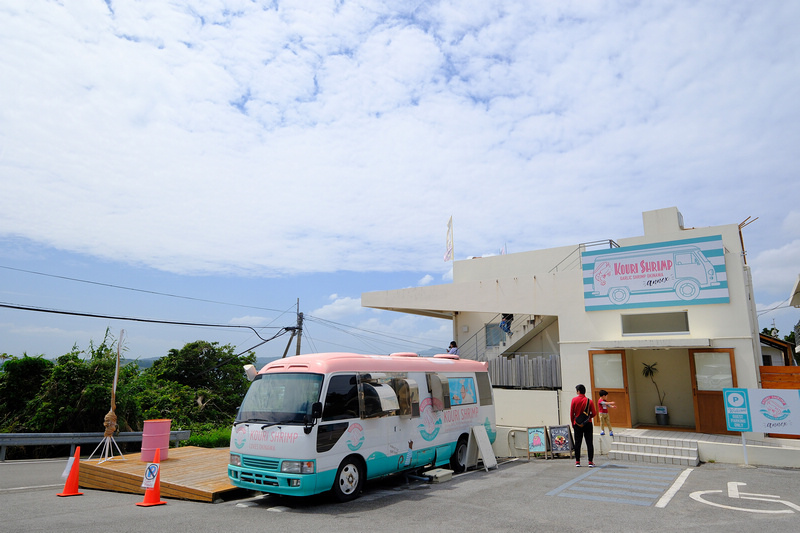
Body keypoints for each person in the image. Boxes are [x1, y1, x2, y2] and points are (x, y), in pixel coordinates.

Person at [570, 384, 596, 467]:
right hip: (588, 423)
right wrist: (588, 417)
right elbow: (594, 413)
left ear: (578, 391)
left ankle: (577, 461)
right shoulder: (589, 401)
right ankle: (590, 461)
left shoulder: (574, 400)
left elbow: (571, 413)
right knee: (589, 442)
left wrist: (573, 422)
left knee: (578, 442)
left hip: (577, 424)